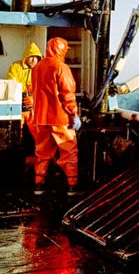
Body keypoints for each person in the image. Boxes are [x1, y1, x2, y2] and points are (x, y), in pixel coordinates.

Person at [31, 37, 82, 196]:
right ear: (61, 49)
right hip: (60, 118)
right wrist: (73, 113)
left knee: (42, 154)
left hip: (41, 118)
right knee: (69, 152)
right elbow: (67, 94)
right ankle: (72, 187)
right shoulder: (61, 67)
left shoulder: (37, 67)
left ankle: (39, 185)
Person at [6, 42, 43, 161]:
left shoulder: (41, 70)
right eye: (31, 56)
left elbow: (44, 88)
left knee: (38, 133)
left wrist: (34, 98)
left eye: (36, 57)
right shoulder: (16, 66)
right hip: (18, 106)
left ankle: (39, 157)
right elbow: (11, 84)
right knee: (16, 132)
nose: (33, 60)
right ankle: (17, 156)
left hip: (34, 108)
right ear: (25, 57)